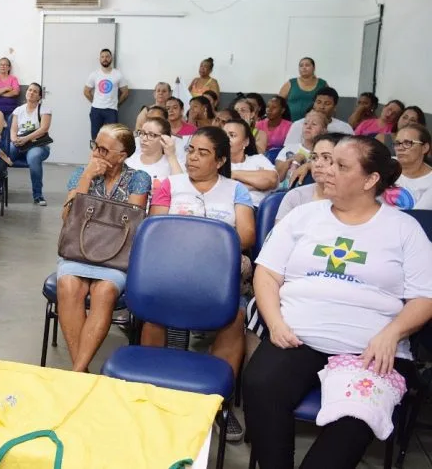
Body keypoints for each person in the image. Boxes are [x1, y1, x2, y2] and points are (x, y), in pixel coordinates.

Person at [243, 136, 432, 469]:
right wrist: (275, 323)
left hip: (368, 350)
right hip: (296, 336)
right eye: (328, 162)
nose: (326, 170)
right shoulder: (303, 216)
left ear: (370, 180)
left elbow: (424, 298)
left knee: (355, 419)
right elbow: (267, 274)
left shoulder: (404, 229)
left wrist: (392, 334)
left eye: (340, 166)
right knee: (260, 385)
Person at [145, 126, 255, 441]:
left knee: (235, 315)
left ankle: (216, 404)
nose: (192, 158)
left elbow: (246, 235)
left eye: (202, 153)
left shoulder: (236, 190)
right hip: (173, 268)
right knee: (155, 305)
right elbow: (158, 228)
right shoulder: (170, 184)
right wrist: (211, 235)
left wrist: (200, 242)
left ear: (220, 160)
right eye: (191, 150)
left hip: (219, 273)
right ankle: (153, 392)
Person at [57, 124, 151, 372]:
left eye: (104, 150)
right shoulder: (82, 173)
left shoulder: (138, 179)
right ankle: (83, 371)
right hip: (78, 249)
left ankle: (77, 371)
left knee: (105, 290)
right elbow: (66, 217)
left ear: (122, 156)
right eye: (95, 146)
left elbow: (132, 223)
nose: (96, 154)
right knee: (68, 285)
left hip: (115, 255)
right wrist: (87, 177)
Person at [274, 133, 346, 222]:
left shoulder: (355, 199)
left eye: (326, 157)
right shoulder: (296, 197)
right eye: (314, 157)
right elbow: (279, 235)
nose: (317, 164)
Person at [10, 83, 52, 206]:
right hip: (19, 142)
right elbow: (13, 130)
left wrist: (26, 139)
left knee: (33, 158)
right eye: (29, 90)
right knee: (4, 156)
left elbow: (43, 129)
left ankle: (38, 195)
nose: (31, 92)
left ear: (39, 96)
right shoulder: (18, 110)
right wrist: (14, 140)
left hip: (37, 144)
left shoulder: (44, 110)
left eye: (35, 91)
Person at [126, 116, 183, 200]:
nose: (144, 139)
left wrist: (171, 156)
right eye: (142, 133)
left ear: (164, 139)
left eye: (151, 135)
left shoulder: (172, 163)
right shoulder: (129, 162)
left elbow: (180, 190)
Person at [225, 119, 278, 206]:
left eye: (232, 135)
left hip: (255, 209)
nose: (226, 139)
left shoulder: (258, 159)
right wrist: (258, 186)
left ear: (246, 142)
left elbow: (272, 180)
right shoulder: (216, 162)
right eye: (223, 135)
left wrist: (232, 174)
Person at [282, 86, 354, 146]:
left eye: (327, 103)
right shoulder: (298, 125)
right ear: (314, 104)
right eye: (318, 102)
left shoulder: (345, 128)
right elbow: (288, 150)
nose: (322, 107)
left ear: (335, 107)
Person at [83, 48, 128, 140]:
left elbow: (125, 92)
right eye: (102, 57)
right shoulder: (94, 74)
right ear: (99, 59)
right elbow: (86, 91)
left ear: (111, 58)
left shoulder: (118, 74)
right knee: (95, 137)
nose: (105, 59)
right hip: (96, 110)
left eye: (107, 56)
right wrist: (94, 101)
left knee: (111, 137)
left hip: (111, 111)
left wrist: (117, 103)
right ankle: (96, 153)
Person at [276, 110, 329, 187]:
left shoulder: (326, 154)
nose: (308, 127)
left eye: (314, 124)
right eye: (305, 123)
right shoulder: (289, 149)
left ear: (324, 131)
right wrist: (291, 160)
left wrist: (309, 165)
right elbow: (277, 178)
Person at [385, 124, 432, 210]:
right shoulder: (384, 164)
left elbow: (418, 218)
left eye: (407, 143)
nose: (400, 148)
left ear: (425, 148)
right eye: (397, 143)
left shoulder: (429, 182)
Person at [278, 57, 328, 121]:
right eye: (301, 66)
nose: (304, 68)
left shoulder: (322, 84)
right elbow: (278, 103)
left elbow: (330, 104)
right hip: (290, 123)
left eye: (307, 65)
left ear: (314, 68)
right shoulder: (290, 83)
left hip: (315, 124)